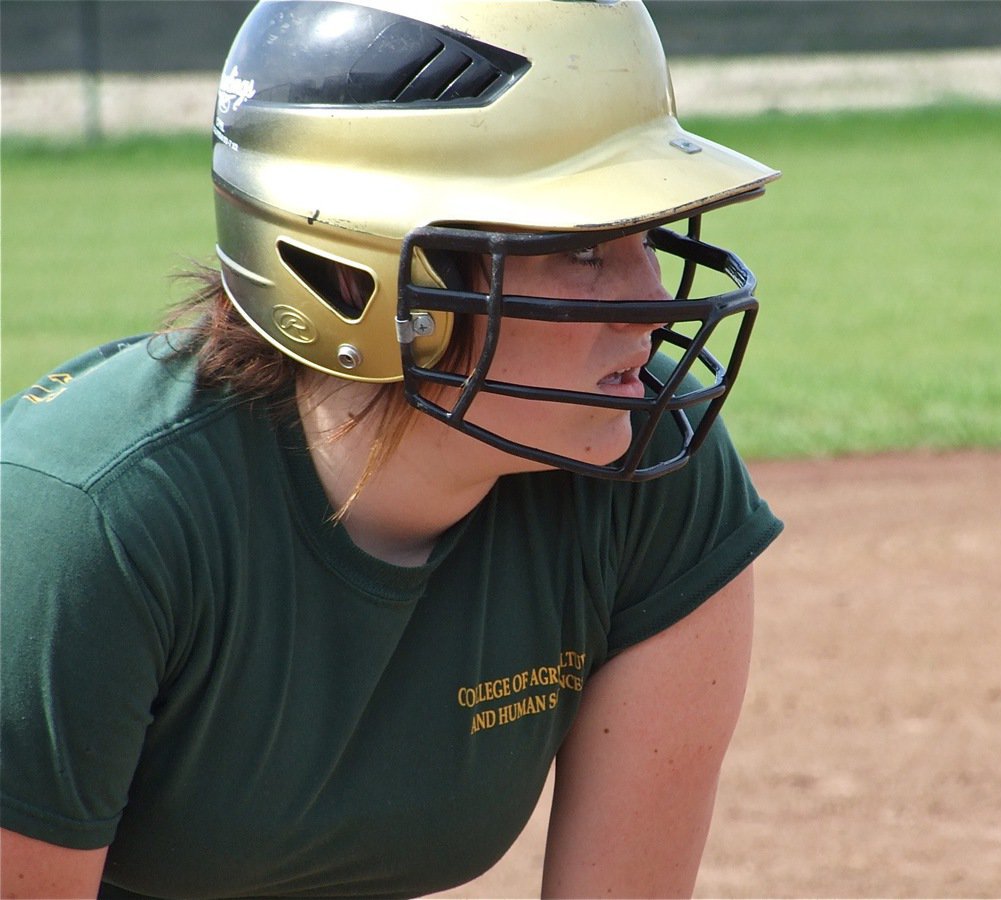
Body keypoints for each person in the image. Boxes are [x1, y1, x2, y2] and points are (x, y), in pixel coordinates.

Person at [0, 1, 783, 897]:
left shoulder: (650, 456)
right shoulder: (80, 524)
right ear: (360, 272)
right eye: (585, 251)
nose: (649, 306)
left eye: (646, 234)